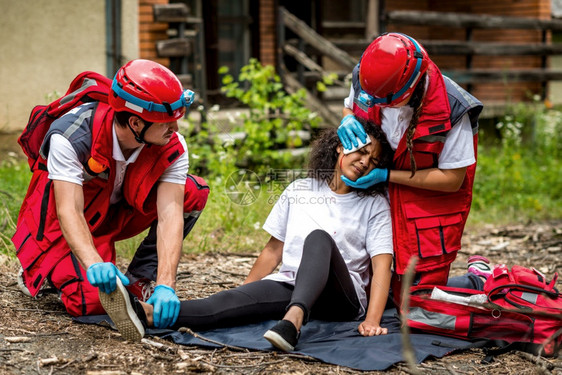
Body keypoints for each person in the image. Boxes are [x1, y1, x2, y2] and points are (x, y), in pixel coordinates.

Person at [101, 118, 395, 349]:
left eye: (374, 160)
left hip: (341, 300)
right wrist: (242, 293)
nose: (366, 161)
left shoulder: (374, 204)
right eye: (362, 151)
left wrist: (371, 320)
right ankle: (144, 313)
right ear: (341, 147)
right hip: (292, 285)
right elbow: (272, 251)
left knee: (318, 239)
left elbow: (382, 265)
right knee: (224, 304)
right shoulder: (300, 190)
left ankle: (292, 322)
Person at [12, 59, 209, 331]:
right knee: (90, 302)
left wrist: (167, 283)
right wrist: (93, 263)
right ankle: (47, 273)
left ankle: (141, 279)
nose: (175, 130)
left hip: (116, 212)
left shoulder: (171, 144)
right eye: (166, 123)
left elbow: (170, 213)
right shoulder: (70, 136)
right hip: (66, 218)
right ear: (136, 123)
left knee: (192, 192)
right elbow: (68, 210)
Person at [337, 32, 485, 304]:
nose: (377, 105)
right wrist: (347, 119)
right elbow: (350, 106)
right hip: (376, 199)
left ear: (410, 88)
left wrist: (386, 176)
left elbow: (453, 180)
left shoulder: (453, 108)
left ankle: (478, 280)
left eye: (385, 102)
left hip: (426, 212)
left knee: (416, 307)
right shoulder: (368, 79)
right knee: (366, 293)